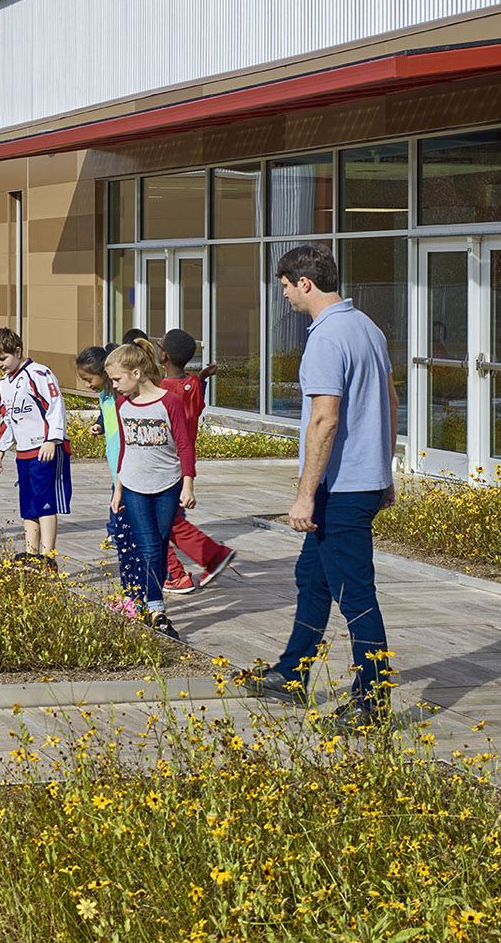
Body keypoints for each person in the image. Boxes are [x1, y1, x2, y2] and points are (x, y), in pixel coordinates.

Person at [248, 243, 398, 727]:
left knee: (355, 595)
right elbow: (391, 402)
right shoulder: (366, 327)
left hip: (342, 490)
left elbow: (324, 421)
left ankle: (371, 704)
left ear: (305, 283)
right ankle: (292, 675)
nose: (286, 295)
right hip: (364, 481)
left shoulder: (327, 338)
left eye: (286, 286)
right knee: (312, 579)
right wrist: (386, 471)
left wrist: (304, 494)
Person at [104, 337, 196, 639]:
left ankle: (147, 602)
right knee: (147, 546)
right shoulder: (122, 405)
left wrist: (188, 484)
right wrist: (118, 489)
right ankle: (155, 609)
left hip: (168, 485)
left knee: (158, 542)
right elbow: (124, 450)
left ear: (137, 374)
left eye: (118, 379)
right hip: (134, 485)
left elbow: (184, 443)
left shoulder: (168, 401)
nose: (115, 385)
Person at [156, 328, 237, 596]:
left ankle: (181, 572)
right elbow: (193, 395)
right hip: (183, 463)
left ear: (164, 356)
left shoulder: (162, 392)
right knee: (169, 520)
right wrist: (202, 377)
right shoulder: (191, 385)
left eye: (160, 345)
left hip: (166, 463)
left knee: (161, 523)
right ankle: (206, 559)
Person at [0, 328, 70, 567]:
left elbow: (55, 406)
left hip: (44, 449)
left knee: (44, 502)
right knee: (28, 502)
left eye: (3, 358)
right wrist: (1, 449)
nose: (0, 364)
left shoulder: (39, 373)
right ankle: (31, 552)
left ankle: (48, 556)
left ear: (18, 351)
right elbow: (7, 417)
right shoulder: (5, 383)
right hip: (23, 451)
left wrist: (52, 440)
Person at [76, 344, 140, 599]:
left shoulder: (121, 396)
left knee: (127, 531)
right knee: (122, 530)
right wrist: (100, 425)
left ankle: (139, 591)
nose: (86, 385)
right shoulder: (105, 396)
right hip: (117, 469)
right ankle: (131, 590)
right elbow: (109, 418)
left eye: (88, 379)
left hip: (128, 470)